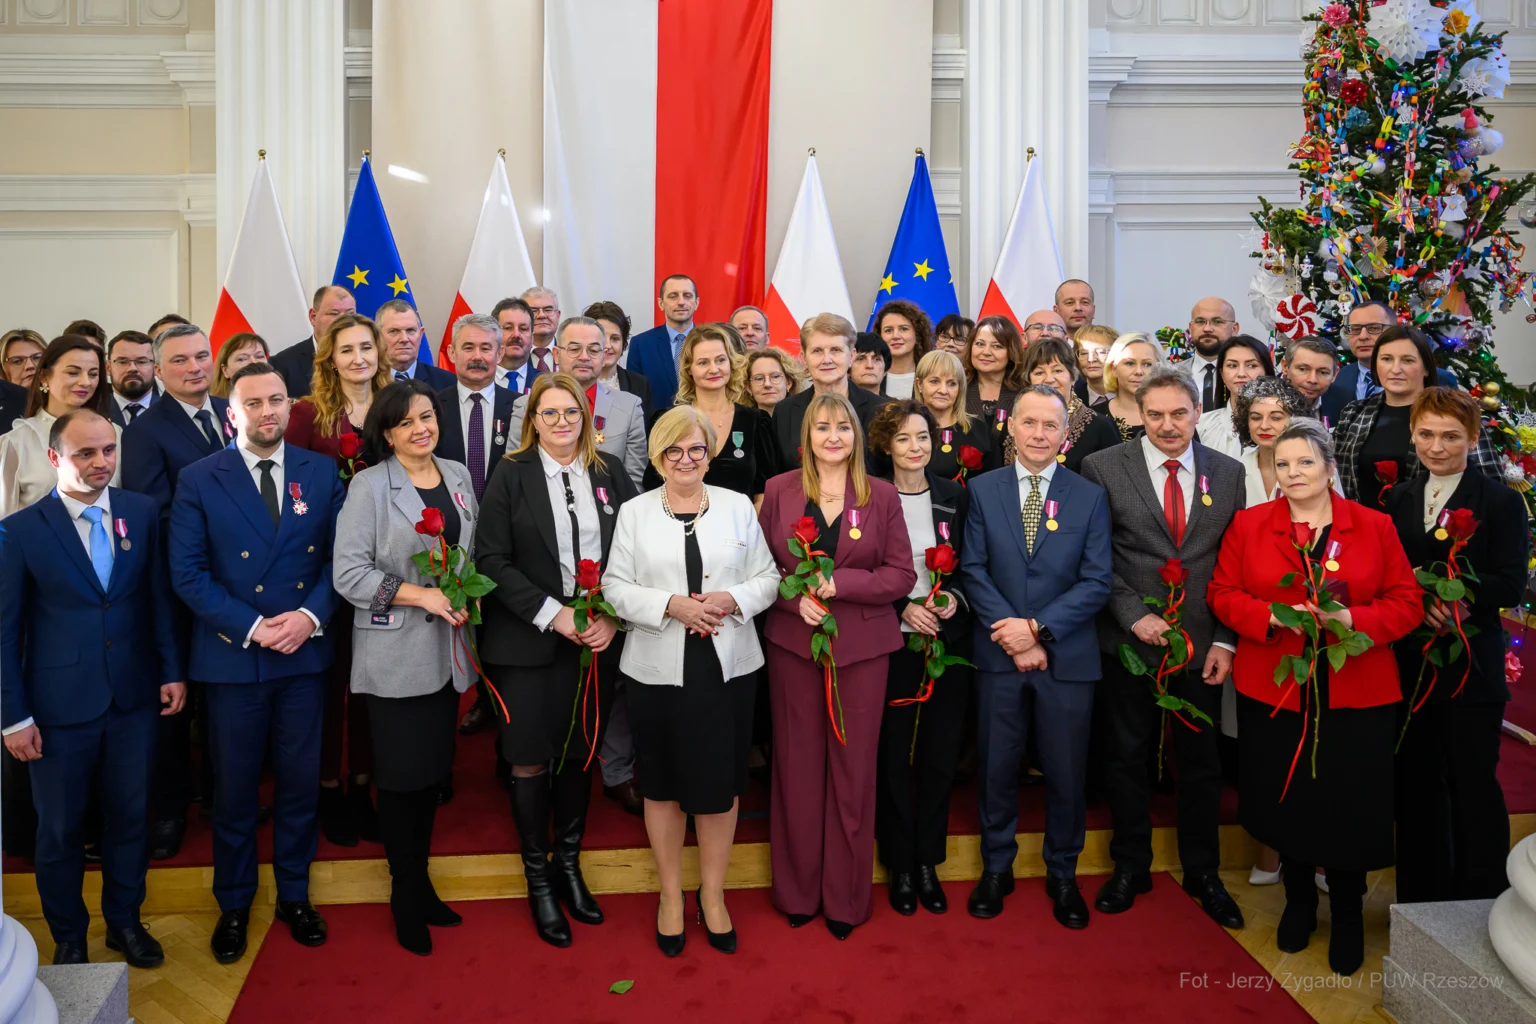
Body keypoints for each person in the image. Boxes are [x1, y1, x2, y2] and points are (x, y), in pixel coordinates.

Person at [1207, 419, 1421, 976]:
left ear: (1329, 468)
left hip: (1358, 690)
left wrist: (1351, 618)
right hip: (1277, 686)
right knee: (1287, 797)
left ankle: (1347, 912)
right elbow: (1223, 594)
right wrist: (1276, 619)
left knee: (1349, 802)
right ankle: (1298, 901)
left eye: (1305, 462)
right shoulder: (1251, 525)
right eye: (1283, 464)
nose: (1294, 473)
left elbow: (1407, 603)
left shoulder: (1373, 526)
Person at [169, 361, 345, 964]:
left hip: (303, 652)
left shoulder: (321, 472)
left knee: (299, 786)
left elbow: (339, 562)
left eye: (277, 401)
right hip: (232, 658)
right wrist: (252, 626)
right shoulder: (199, 478)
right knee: (237, 790)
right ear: (231, 414)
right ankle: (236, 902)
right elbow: (187, 574)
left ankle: (295, 894)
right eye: (255, 403)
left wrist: (309, 618)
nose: (269, 412)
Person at [0, 409, 184, 968]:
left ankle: (124, 923)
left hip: (133, 698)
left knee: (130, 819)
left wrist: (171, 668)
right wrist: (13, 716)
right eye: (86, 454)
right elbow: (5, 631)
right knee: (59, 832)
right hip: (56, 710)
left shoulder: (141, 512)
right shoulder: (19, 530)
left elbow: (157, 599)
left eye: (108, 451)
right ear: (55, 459)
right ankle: (69, 936)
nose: (102, 463)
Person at [603, 406, 780, 956]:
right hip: (658, 668)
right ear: (657, 457)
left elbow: (769, 576)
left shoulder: (734, 508)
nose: (686, 460)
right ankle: (671, 896)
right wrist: (670, 605)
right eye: (673, 451)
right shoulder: (633, 512)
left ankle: (714, 895)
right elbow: (614, 585)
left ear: (710, 454)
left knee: (721, 785)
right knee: (661, 784)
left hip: (727, 667)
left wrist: (734, 598)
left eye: (696, 450)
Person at [1079, 367, 1247, 930]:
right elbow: (1094, 559)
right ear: (1139, 415)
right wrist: (1135, 617)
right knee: (1125, 759)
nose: (1168, 425)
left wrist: (1226, 637)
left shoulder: (1228, 472)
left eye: (1179, 413)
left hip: (1202, 644)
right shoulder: (1102, 468)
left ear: (1198, 412)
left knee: (1200, 766)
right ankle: (1131, 866)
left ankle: (1203, 872)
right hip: (1128, 643)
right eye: (1155, 415)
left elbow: (1234, 562)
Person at [476, 372, 639, 948]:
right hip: (526, 642)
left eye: (572, 412)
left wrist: (612, 616)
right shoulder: (511, 474)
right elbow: (490, 560)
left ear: (587, 418)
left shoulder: (610, 472)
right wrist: (554, 614)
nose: (563, 422)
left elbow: (632, 553)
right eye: (550, 414)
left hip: (595, 640)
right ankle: (538, 878)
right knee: (528, 760)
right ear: (532, 422)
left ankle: (569, 865)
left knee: (578, 755)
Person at [758, 392, 916, 940]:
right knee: (797, 771)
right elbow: (757, 570)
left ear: (856, 435)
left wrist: (840, 584)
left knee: (853, 774)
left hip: (862, 653)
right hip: (793, 648)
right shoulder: (778, 492)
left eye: (842, 427)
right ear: (806, 436)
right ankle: (798, 893)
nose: (832, 436)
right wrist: (788, 597)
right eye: (821, 427)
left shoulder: (883, 495)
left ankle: (846, 899)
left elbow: (902, 576)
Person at [333, 380, 479, 955]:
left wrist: (462, 593)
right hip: (394, 655)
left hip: (447, 654)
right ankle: (404, 894)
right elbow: (348, 575)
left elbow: (467, 551)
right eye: (407, 422)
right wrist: (420, 596)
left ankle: (421, 883)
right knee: (398, 782)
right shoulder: (370, 487)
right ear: (387, 433)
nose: (421, 428)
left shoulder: (459, 475)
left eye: (428, 416)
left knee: (430, 781)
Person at [961, 386, 1112, 927]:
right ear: (1012, 428)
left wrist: (1038, 631)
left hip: (1066, 659)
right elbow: (972, 570)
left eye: (1051, 425)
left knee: (1067, 772)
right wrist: (1013, 636)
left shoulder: (1089, 495)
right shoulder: (981, 491)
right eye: (1030, 423)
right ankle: (996, 868)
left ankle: (1063, 873)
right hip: (999, 656)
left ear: (1065, 435)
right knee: (997, 767)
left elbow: (1097, 581)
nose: (1040, 434)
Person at [1385, 388, 1529, 904]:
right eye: (1426, 434)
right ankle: (1422, 901)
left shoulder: (1501, 501)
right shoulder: (1398, 498)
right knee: (1417, 781)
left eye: (1450, 436)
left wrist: (1462, 600)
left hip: (1470, 659)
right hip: (1409, 660)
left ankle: (1480, 898)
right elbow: (1389, 572)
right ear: (1413, 435)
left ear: (1472, 437)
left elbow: (1511, 582)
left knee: (1472, 780)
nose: (1437, 447)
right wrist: (1413, 600)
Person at [283, 312, 391, 846]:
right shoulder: (307, 415)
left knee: (373, 682)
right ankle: (327, 785)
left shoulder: (397, 406)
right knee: (330, 682)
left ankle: (364, 785)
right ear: (330, 358)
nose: (358, 359)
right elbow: (293, 492)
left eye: (366, 347)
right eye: (346, 349)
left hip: (389, 566)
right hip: (325, 566)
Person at [119, 323, 226, 858]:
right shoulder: (145, 430)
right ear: (159, 371)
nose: (194, 367)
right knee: (174, 703)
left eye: (201, 356)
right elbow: (152, 515)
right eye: (180, 360)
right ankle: (168, 812)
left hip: (237, 588)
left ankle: (218, 795)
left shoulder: (234, 410)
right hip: (177, 587)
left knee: (223, 699)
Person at [867, 400, 972, 917]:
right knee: (891, 758)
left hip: (943, 642)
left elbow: (971, 566)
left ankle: (928, 861)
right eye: (905, 438)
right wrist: (902, 606)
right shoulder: (869, 497)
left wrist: (951, 600)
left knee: (938, 754)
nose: (916, 447)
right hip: (889, 643)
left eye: (924, 437)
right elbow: (860, 570)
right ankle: (899, 865)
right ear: (886, 446)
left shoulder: (954, 495)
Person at [1334, 325, 1501, 511]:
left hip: (1431, 532)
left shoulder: (1456, 413)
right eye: (1387, 359)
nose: (1395, 369)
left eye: (1407, 360)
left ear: (1426, 369)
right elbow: (1336, 478)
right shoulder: (1353, 413)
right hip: (1365, 532)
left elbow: (1491, 488)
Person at [510, 318, 648, 488]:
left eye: (594, 350)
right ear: (556, 354)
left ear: (604, 356)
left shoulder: (629, 408)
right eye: (574, 349)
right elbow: (515, 476)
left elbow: (632, 483)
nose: (584, 357)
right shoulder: (526, 407)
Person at [650, 323, 778, 504]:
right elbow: (653, 485)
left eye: (720, 360)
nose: (714, 369)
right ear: (689, 369)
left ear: (731, 363)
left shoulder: (756, 421)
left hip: (740, 529)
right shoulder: (667, 420)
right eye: (703, 362)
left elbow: (764, 492)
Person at [0, 335, 119, 518]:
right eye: (73, 372)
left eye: (93, 374)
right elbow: (5, 519)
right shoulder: (17, 442)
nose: (85, 382)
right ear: (44, 376)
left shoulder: (114, 433)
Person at [772, 313, 889, 470]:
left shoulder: (881, 410)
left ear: (851, 356)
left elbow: (887, 472)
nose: (827, 360)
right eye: (817, 351)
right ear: (804, 358)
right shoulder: (785, 411)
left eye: (836, 350)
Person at [1323, 301, 1456, 424]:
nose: (1363, 336)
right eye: (1355, 329)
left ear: (1394, 331)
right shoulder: (1335, 380)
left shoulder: (1440, 380)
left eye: (1374, 328)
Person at [433, 313, 516, 503]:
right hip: (449, 519)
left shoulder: (520, 407)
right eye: (468, 347)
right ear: (452, 353)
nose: (477, 356)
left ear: (500, 354)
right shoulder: (432, 407)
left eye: (486, 348)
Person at [1018, 337, 1120, 473]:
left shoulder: (1100, 426)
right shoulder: (1013, 424)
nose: (1049, 379)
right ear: (1028, 379)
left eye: (1057, 371)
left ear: (1072, 376)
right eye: (1039, 372)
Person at [1233, 378, 1321, 506]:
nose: (1264, 426)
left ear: (1295, 419)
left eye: (1275, 418)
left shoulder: (1318, 466)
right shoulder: (1235, 468)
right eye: (1256, 417)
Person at [915, 349, 1001, 481]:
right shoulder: (905, 429)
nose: (943, 390)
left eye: (951, 384)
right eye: (934, 381)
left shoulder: (979, 431)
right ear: (919, 384)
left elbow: (994, 484)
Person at [269, 285, 357, 400]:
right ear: (313, 317)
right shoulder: (282, 365)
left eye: (350, 314)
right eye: (334, 314)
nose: (343, 321)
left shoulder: (367, 360)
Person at [1195, 334, 1275, 458]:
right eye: (1232, 365)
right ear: (1221, 373)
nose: (1241, 374)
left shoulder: (1282, 425)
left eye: (1252, 365)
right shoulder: (1201, 425)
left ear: (1266, 371)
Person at [627, 274, 698, 410]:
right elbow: (634, 396)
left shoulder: (711, 341)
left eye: (687, 296)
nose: (681, 302)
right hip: (657, 427)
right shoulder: (641, 344)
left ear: (697, 303)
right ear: (661, 303)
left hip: (705, 424)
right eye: (673, 296)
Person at [584, 300, 653, 419]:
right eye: (601, 338)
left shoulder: (640, 384)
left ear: (624, 344)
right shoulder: (572, 382)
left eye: (615, 339)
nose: (608, 346)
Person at [963, 316, 1026, 439]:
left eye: (997, 346)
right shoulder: (957, 387)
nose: (986, 352)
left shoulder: (1024, 391)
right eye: (980, 344)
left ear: (1011, 351)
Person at [1178, 297, 1242, 413]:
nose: (1207, 328)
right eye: (1200, 321)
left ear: (1234, 328)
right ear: (1191, 328)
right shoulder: (1171, 374)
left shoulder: (1246, 375)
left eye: (1217, 322)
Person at [375, 298, 455, 390]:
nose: (404, 339)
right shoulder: (366, 383)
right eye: (394, 331)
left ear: (421, 335)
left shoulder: (448, 383)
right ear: (378, 336)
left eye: (410, 330)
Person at [1102, 333, 1166, 443]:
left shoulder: (1175, 414)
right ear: (1113, 368)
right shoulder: (1094, 417)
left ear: (1159, 369)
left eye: (1147, 364)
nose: (1138, 372)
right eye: (1130, 363)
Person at [873, 300, 932, 400]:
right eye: (888, 330)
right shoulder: (871, 377)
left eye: (903, 329)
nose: (895, 336)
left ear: (917, 334)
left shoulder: (931, 376)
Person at [106, 330, 162, 427]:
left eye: (142, 361)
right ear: (108, 368)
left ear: (156, 367)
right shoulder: (94, 412)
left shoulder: (175, 412)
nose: (132, 369)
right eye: (122, 362)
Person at [1281, 336, 1340, 426]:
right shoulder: (1263, 399)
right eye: (1303, 369)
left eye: (1323, 372)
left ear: (1334, 374)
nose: (1312, 380)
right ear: (1285, 366)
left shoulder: (1343, 401)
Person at [493, 297, 538, 394]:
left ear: (532, 338)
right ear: (493, 335)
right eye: (508, 328)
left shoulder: (545, 383)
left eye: (523, 328)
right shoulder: (479, 381)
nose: (516, 335)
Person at [745, 348, 805, 416]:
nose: (767, 384)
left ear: (788, 383)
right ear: (749, 387)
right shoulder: (737, 423)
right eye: (759, 378)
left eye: (775, 376)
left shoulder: (806, 419)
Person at [210, 333, 270, 400]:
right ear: (225, 370)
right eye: (242, 359)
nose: (254, 362)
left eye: (259, 357)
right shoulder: (216, 408)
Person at [1072, 324, 1116, 409]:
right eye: (1084, 353)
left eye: (1101, 352)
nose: (1091, 359)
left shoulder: (1131, 394)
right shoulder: (1071, 398)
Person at [521, 286, 562, 376]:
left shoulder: (568, 352)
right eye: (533, 311)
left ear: (558, 316)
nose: (541, 315)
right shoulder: (514, 353)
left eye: (548, 310)